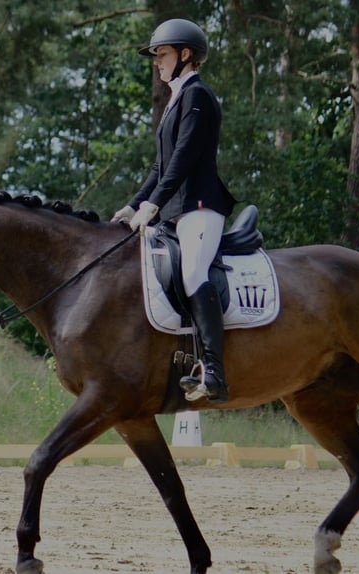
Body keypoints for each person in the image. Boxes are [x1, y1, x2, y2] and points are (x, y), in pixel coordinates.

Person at [111, 18, 236, 403]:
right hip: (174, 210)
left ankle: (214, 370)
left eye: (161, 54)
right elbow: (160, 168)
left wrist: (152, 205)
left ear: (185, 55)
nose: (156, 62)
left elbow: (183, 160)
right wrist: (132, 205)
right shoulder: (175, 99)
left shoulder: (198, 94)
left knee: (193, 270)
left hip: (199, 206)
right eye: (155, 56)